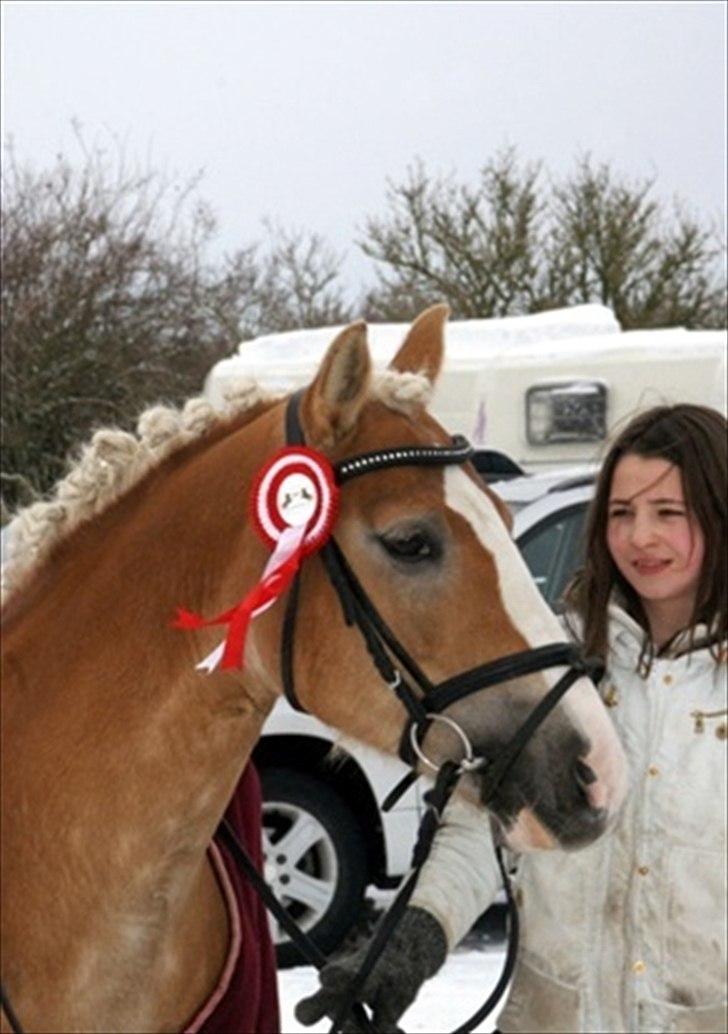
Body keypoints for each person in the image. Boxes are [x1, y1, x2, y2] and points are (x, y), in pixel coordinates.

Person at [295, 403, 728, 1034]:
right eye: (620, 513)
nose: (640, 537)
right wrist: (413, 941)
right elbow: (482, 829)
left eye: (669, 513)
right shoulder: (558, 667)